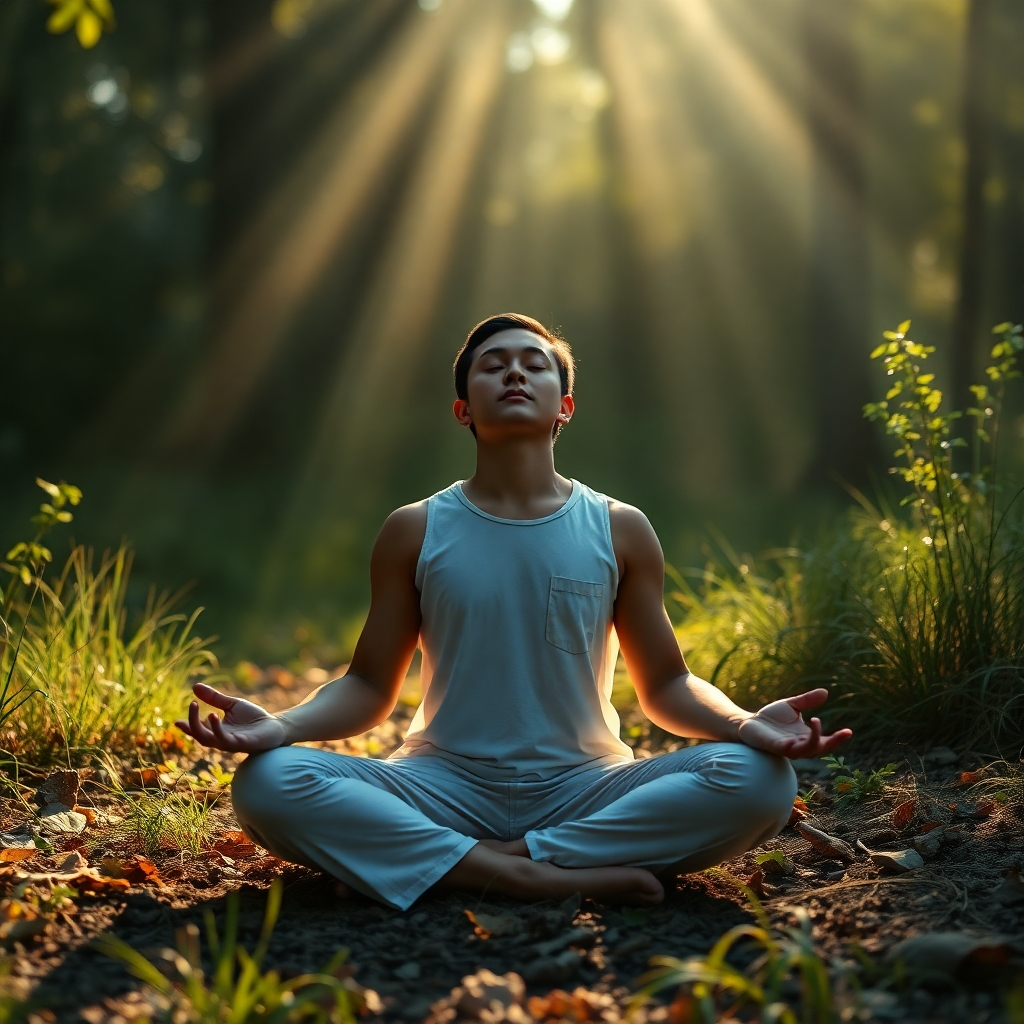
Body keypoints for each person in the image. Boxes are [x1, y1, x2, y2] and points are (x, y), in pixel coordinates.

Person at [177, 313, 851, 910]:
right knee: (268, 781)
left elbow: (668, 686)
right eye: (493, 366)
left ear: (566, 407)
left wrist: (742, 724)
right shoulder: (415, 528)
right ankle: (535, 875)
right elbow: (367, 687)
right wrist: (283, 726)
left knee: (762, 780)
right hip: (440, 785)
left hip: (586, 786)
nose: (515, 374)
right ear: (463, 409)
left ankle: (454, 866)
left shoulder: (619, 527)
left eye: (535, 364)